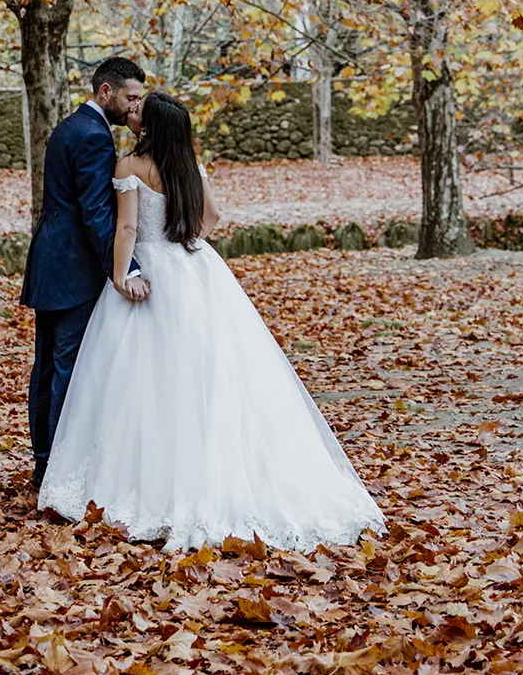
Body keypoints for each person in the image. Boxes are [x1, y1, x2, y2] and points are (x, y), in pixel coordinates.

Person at [39, 90, 385, 551]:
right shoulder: (189, 167)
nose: (133, 111)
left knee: (139, 378)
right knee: (205, 370)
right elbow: (213, 216)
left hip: (149, 270)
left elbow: (124, 228)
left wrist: (123, 275)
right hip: (193, 269)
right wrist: (185, 242)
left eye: (140, 110)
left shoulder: (129, 167)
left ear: (150, 128)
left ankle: (141, 481)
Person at [20, 56, 147, 490]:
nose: (133, 107)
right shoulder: (94, 137)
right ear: (106, 91)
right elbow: (96, 212)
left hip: (51, 262)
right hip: (73, 267)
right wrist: (124, 267)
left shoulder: (69, 126)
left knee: (48, 368)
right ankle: (58, 470)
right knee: (67, 369)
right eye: (129, 97)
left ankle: (43, 463)